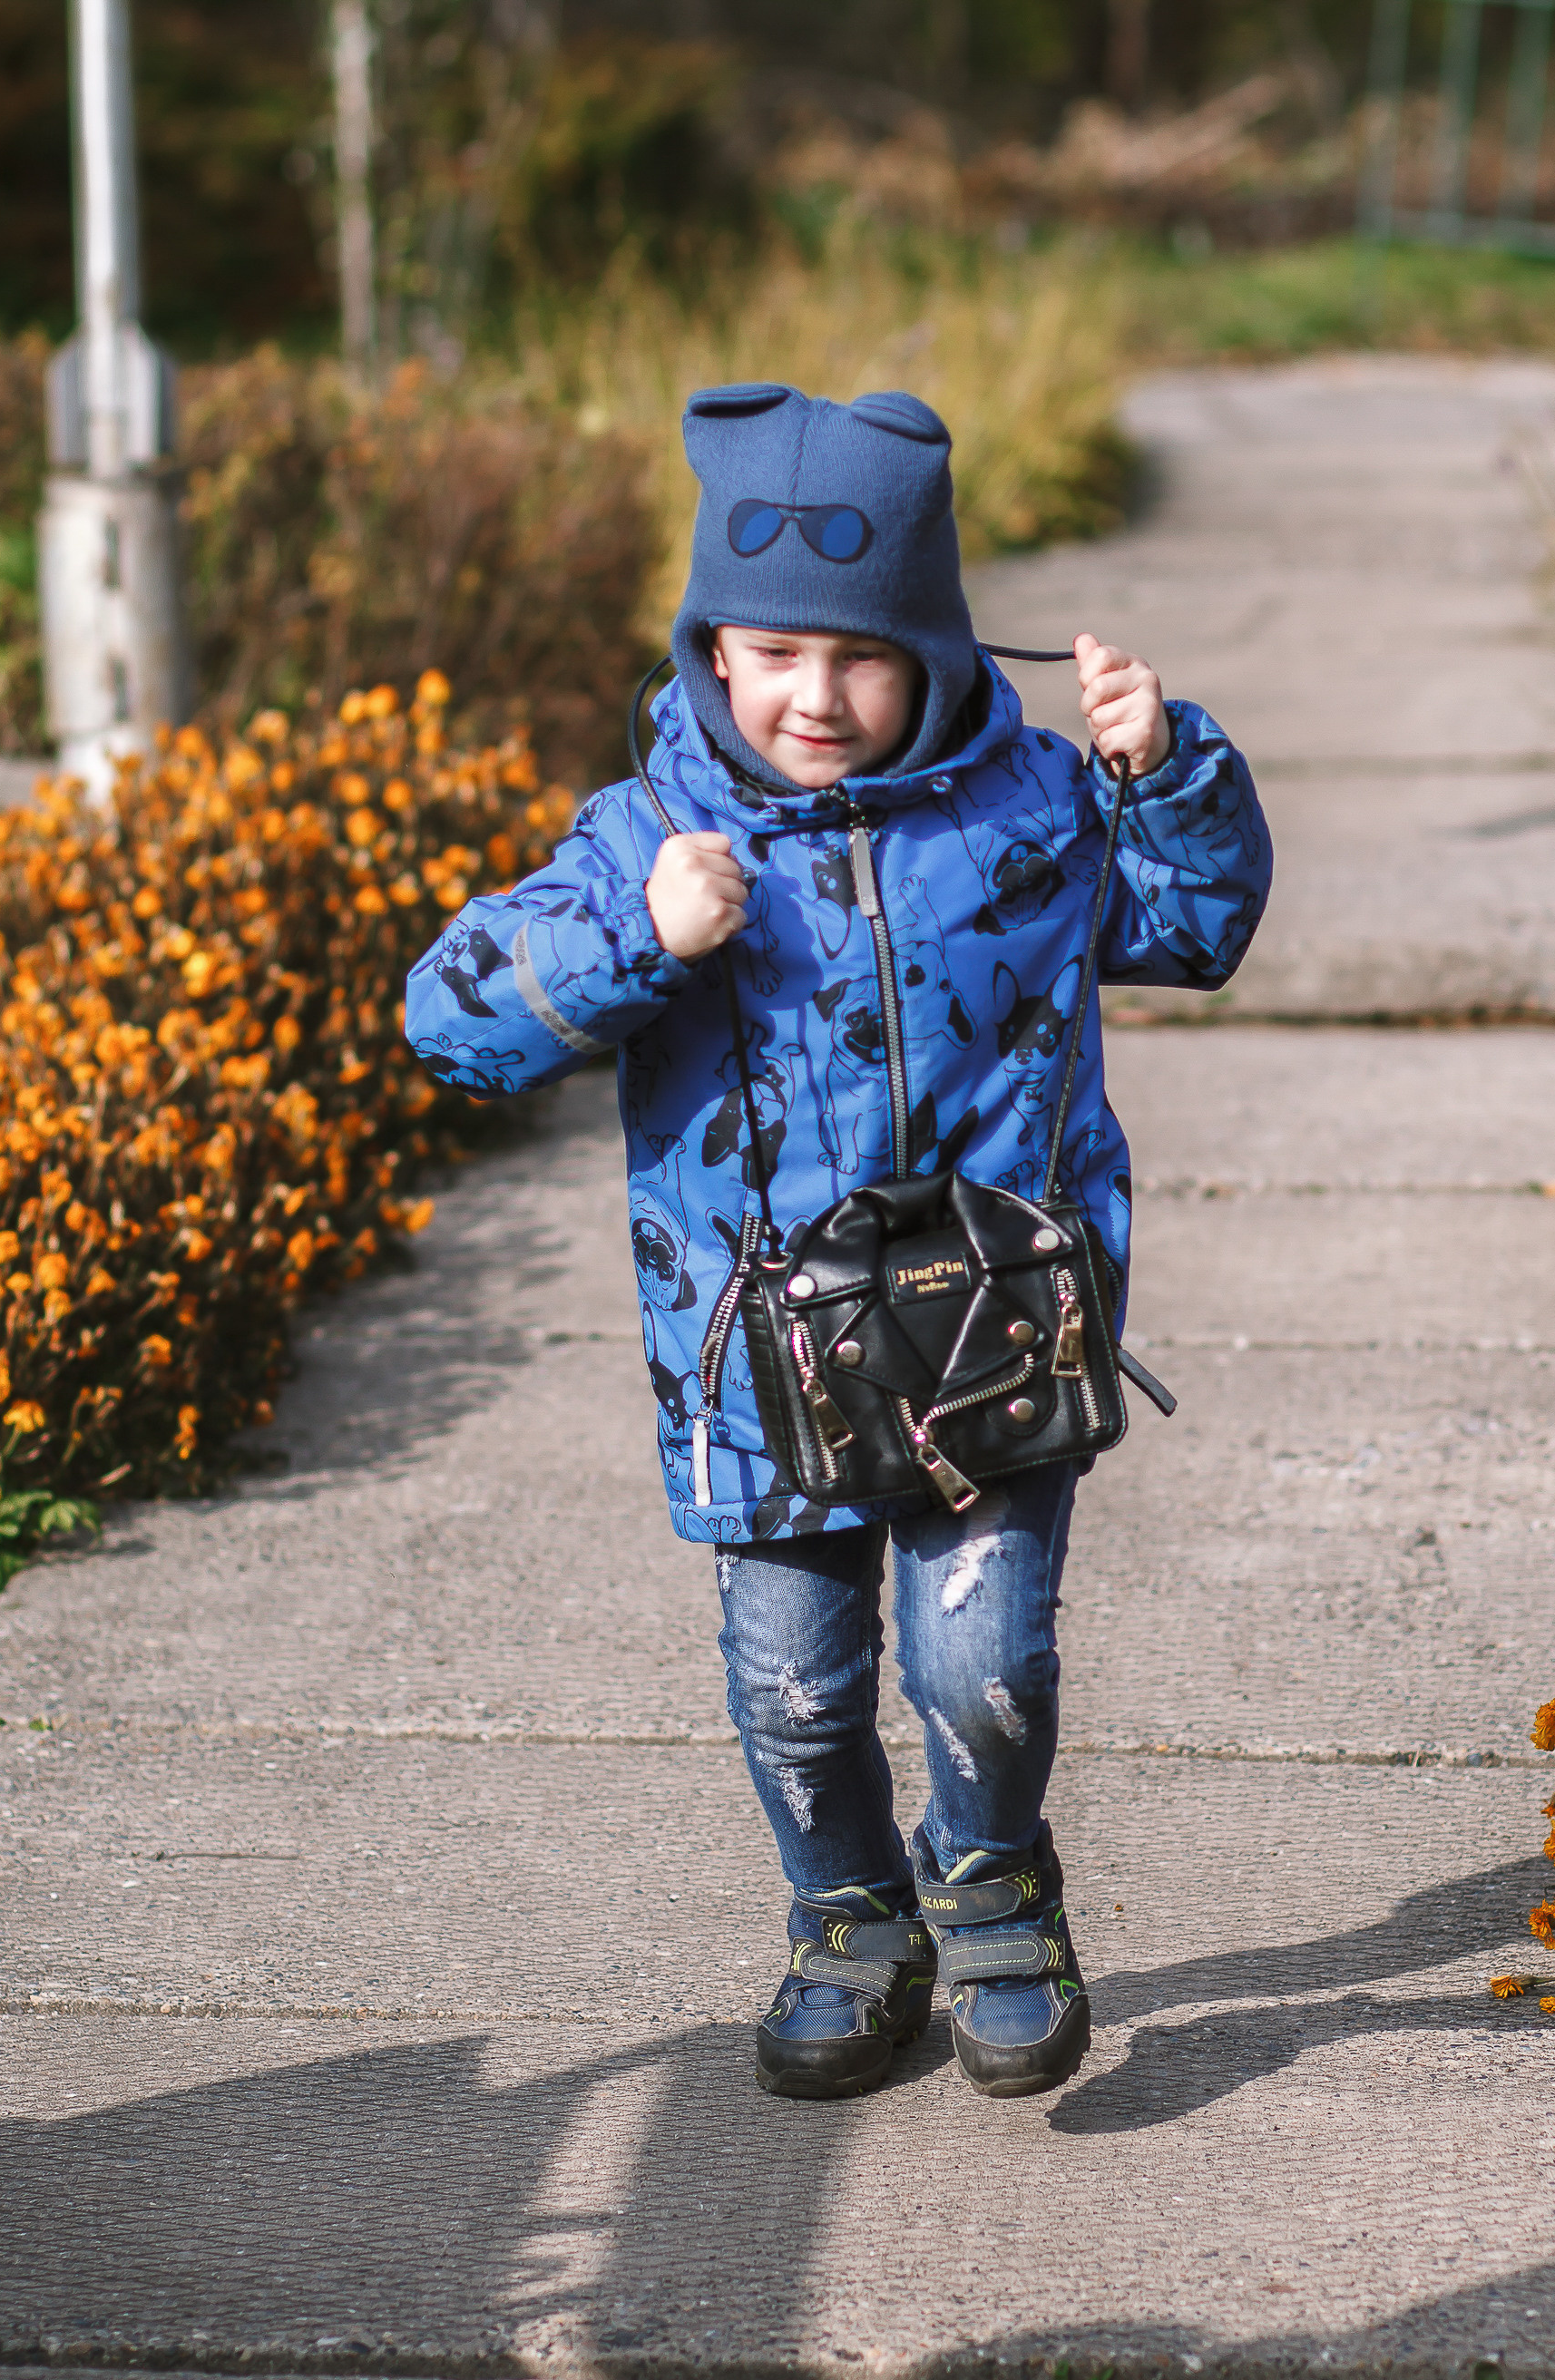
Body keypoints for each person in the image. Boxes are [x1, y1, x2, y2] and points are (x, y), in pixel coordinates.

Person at [405, 381, 1271, 2101]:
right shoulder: (647, 839)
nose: (817, 696)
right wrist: (634, 947)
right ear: (714, 648)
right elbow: (450, 1021)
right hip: (758, 1358)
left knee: (984, 1660)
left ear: (939, 648)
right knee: (798, 1686)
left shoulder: (1026, 812)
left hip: (986, 1329)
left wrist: (1163, 774)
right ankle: (849, 1917)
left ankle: (996, 1888)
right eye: (775, 651)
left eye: (861, 657)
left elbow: (1193, 925)